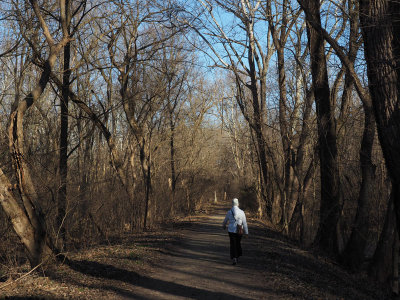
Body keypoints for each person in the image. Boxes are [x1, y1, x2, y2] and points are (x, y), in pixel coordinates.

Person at [222, 198, 248, 265]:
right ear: (238, 204)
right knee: (238, 243)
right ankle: (237, 256)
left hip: (231, 230)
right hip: (239, 230)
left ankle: (234, 258)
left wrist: (224, 226)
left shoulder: (229, 212)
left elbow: (225, 221)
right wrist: (246, 232)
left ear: (232, 204)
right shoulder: (242, 212)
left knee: (233, 244)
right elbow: (244, 223)